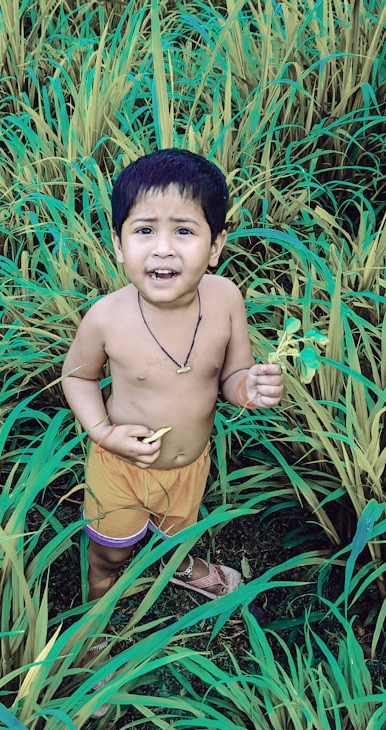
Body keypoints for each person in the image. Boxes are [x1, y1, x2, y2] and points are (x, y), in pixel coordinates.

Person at [62, 148, 284, 611]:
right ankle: (97, 602)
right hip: (122, 466)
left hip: (189, 466)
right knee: (111, 550)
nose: (163, 247)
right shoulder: (106, 318)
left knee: (176, 532)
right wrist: (104, 433)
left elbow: (231, 375)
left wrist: (249, 388)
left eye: (184, 231)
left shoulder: (225, 300)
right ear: (119, 245)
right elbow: (77, 379)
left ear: (217, 245)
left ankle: (178, 565)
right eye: (145, 231)